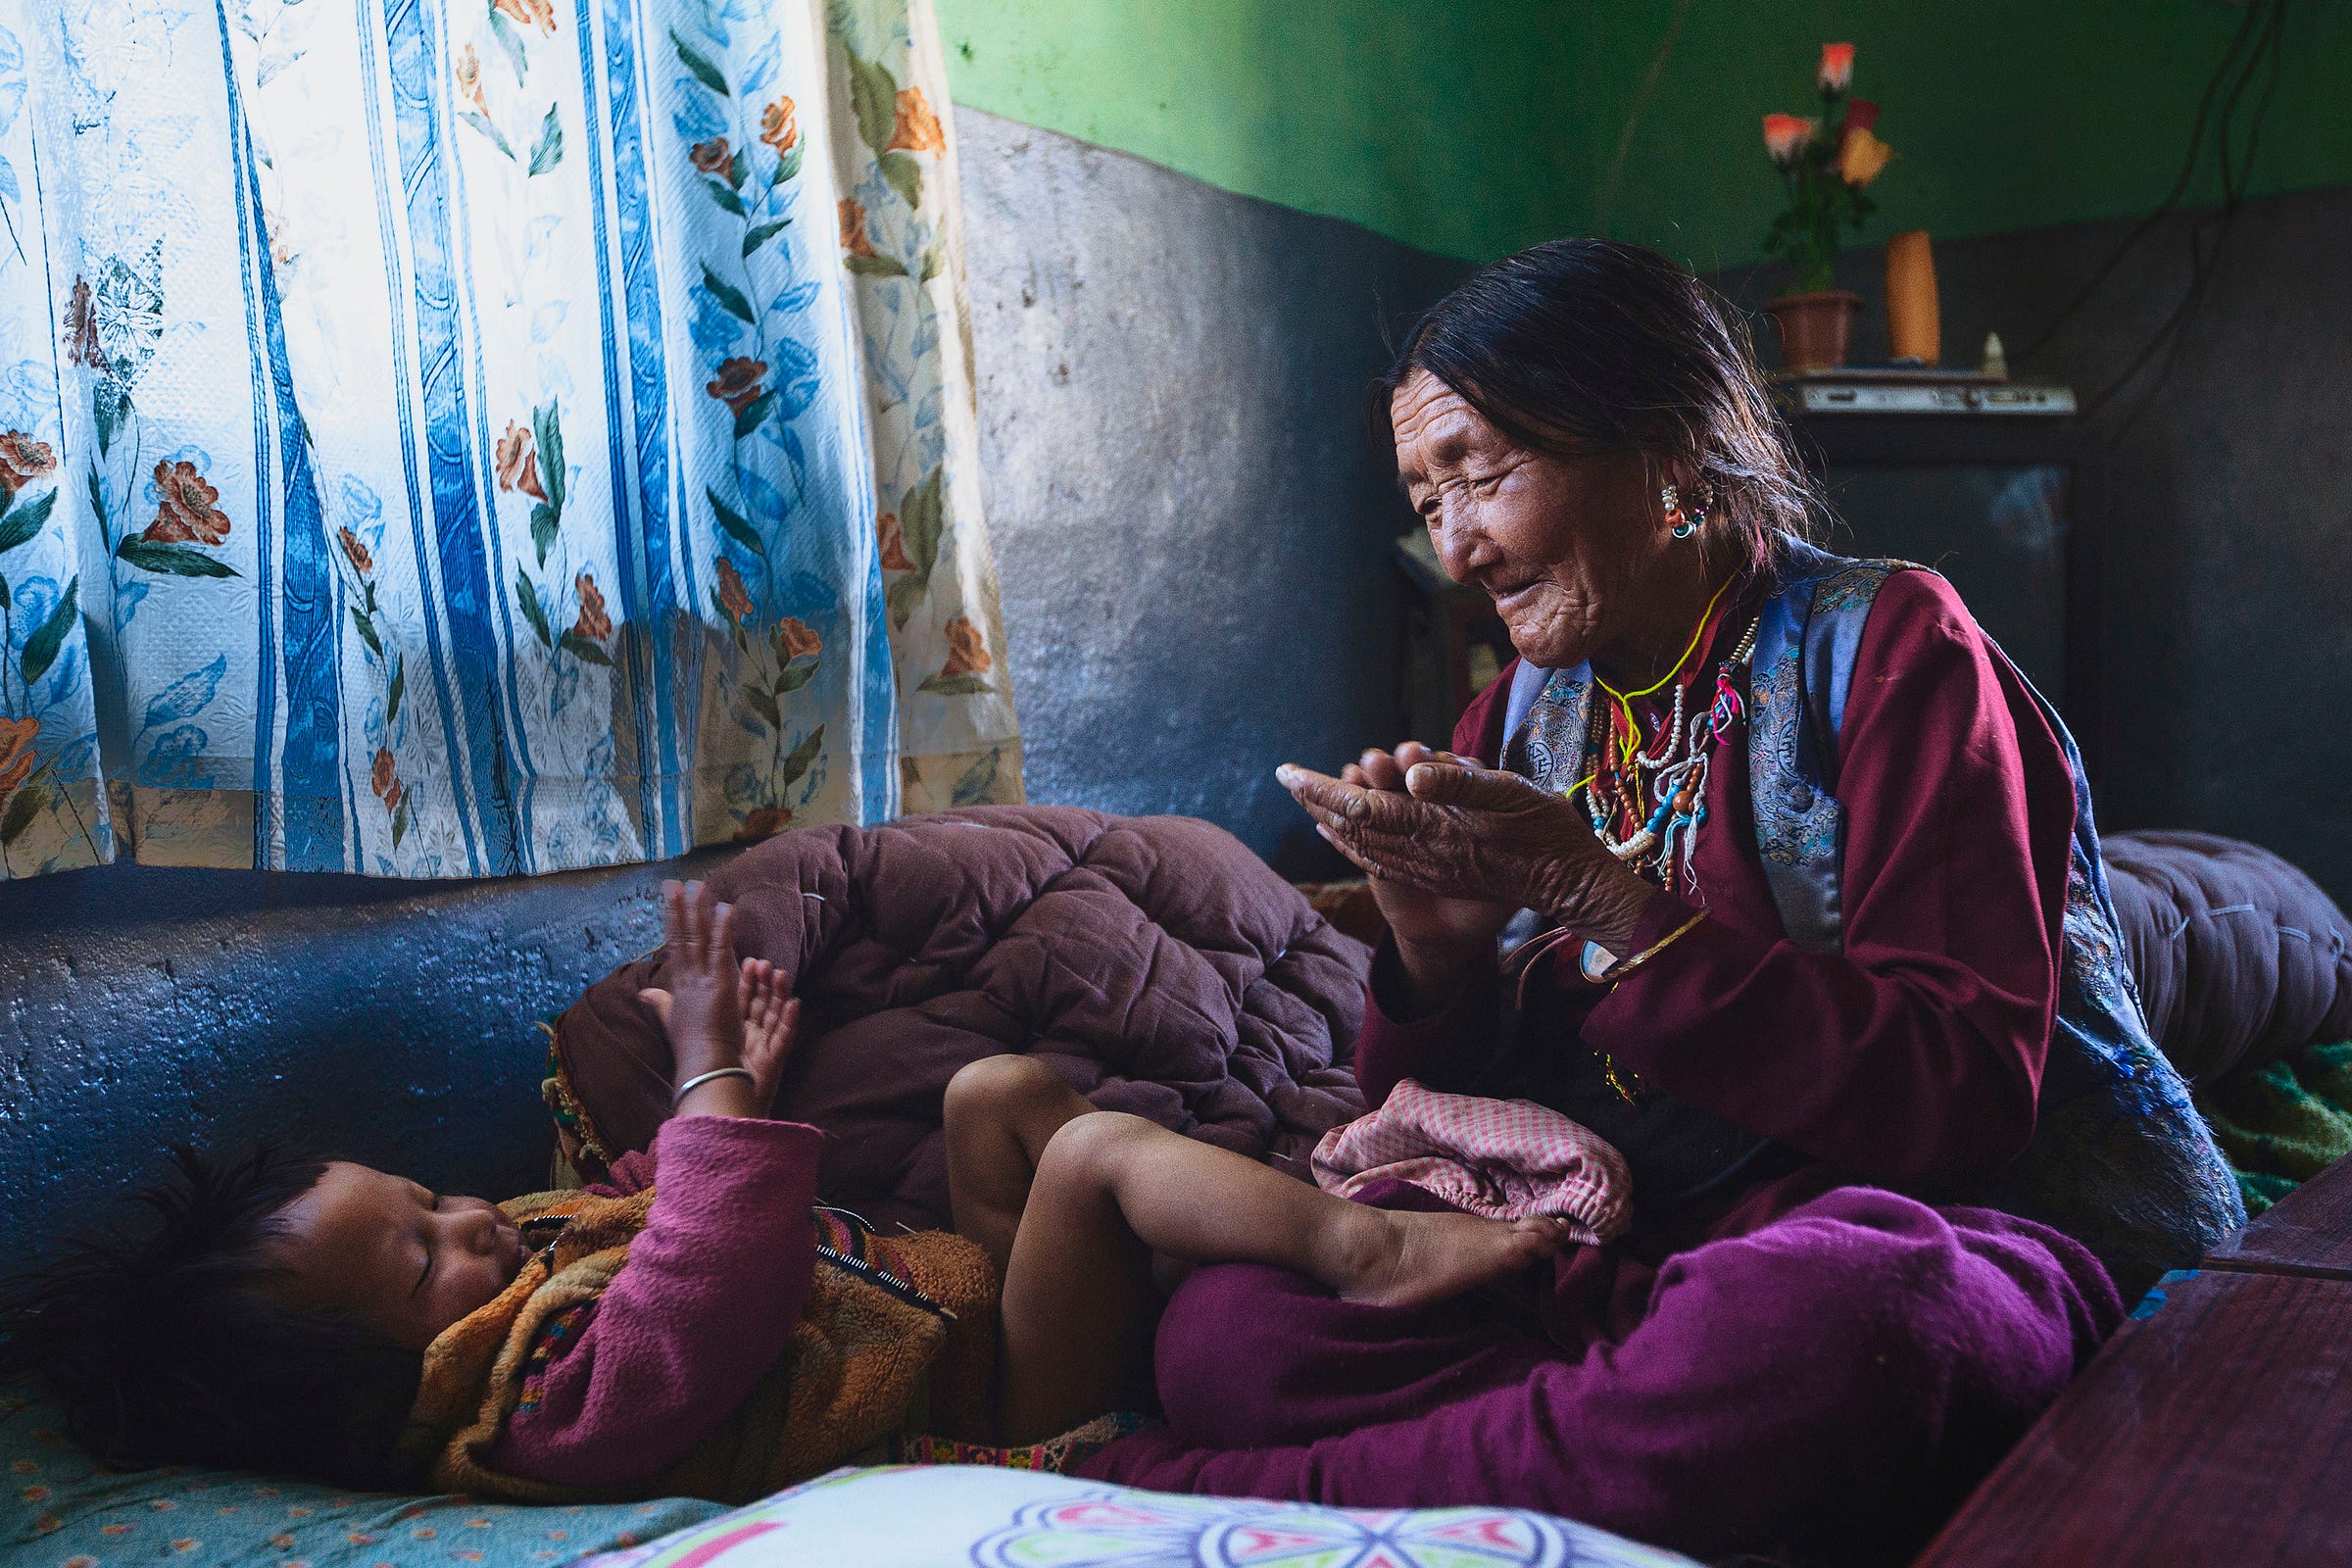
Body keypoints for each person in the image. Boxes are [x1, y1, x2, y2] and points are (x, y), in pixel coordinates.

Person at [1075, 238, 2242, 1566]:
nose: (1455, 547)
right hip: (1643, 1240)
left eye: (1484, 474)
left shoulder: (1897, 653)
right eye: (1425, 495)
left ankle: (1191, 1490)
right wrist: (1433, 958)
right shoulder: (1515, 714)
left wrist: (1599, 894)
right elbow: (1448, 1114)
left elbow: (1964, 1101)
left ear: (1673, 453)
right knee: (1231, 1323)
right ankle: (1601, 1445)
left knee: (1837, 1333)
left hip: (1936, 1225)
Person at [0, 882, 1568, 1496]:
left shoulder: (511, 1279)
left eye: (423, 1195)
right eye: (421, 1259)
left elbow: (634, 1207)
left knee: (1000, 1095)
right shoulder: (529, 1413)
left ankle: (1255, 1222)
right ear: (386, 1381)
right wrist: (707, 1075)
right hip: (998, 1398)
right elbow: (706, 1281)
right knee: (1086, 1156)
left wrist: (724, 1079)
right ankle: (1364, 1249)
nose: (467, 1219)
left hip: (952, 1294)